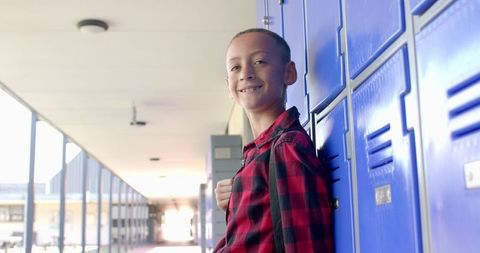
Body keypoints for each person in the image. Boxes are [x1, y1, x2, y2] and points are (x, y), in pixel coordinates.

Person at [213, 28, 333, 253]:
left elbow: (304, 246)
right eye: (235, 67)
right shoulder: (256, 153)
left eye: (259, 61)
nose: (245, 73)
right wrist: (236, 201)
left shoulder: (287, 147)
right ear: (229, 83)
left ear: (289, 73)